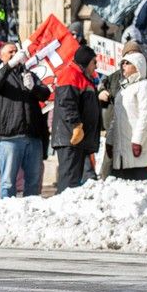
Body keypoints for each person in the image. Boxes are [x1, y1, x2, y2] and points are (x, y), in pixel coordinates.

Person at [0, 43, 51, 197]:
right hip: (9, 136)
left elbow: (45, 94)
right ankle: (8, 210)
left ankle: (31, 211)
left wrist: (34, 87)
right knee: (8, 181)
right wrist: (10, 65)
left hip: (32, 135)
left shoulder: (28, 73)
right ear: (2, 56)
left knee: (33, 180)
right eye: (10, 52)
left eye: (16, 51)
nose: (15, 54)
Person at [51, 45, 103, 194]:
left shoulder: (83, 76)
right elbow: (67, 103)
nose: (96, 66)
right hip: (70, 138)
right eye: (94, 62)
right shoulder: (71, 74)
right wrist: (76, 125)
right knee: (69, 182)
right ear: (86, 61)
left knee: (74, 181)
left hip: (76, 139)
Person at [109, 52, 147, 180]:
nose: (123, 66)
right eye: (122, 63)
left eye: (127, 63)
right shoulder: (122, 91)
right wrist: (110, 140)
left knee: (141, 188)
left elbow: (146, 115)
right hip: (122, 153)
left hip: (138, 150)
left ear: (138, 66)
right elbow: (116, 119)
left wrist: (138, 141)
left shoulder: (145, 86)